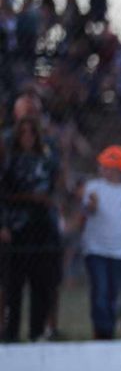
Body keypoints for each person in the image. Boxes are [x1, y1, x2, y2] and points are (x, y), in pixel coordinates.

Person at [0, 115, 61, 342]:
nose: (27, 137)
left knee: (42, 283)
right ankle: (11, 333)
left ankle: (37, 331)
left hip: (43, 226)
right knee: (13, 284)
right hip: (17, 227)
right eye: (23, 132)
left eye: (31, 132)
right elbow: (5, 194)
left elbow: (55, 185)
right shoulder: (9, 161)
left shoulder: (45, 158)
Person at [80, 145, 121, 339]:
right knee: (100, 292)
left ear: (119, 169)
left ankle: (108, 332)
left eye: (109, 166)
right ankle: (101, 332)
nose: (104, 170)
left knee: (113, 295)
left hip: (119, 252)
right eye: (103, 166)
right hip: (95, 249)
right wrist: (91, 205)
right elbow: (85, 213)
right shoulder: (93, 188)